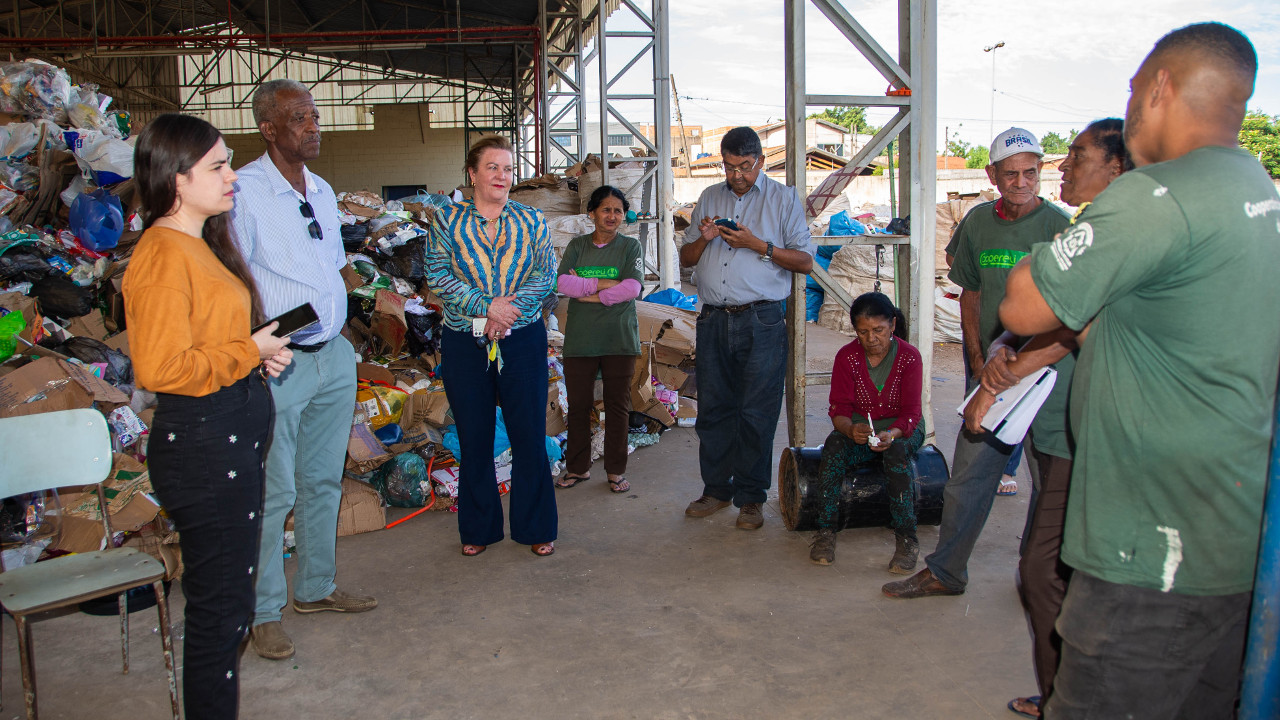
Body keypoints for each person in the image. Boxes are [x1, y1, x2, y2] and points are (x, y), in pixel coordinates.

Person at [1000, 23, 1279, 718]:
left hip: (1148, 550)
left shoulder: (1158, 197)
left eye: (1132, 92)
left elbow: (1025, 304)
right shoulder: (1256, 189)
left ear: (1159, 89)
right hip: (1228, 540)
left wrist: (1062, 251)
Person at [123, 113, 293, 719]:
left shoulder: (199, 244)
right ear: (175, 177)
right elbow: (162, 368)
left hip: (227, 430)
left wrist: (254, 360)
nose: (232, 178)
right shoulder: (164, 254)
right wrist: (249, 351)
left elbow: (208, 344)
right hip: (203, 443)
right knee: (221, 613)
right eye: (218, 167)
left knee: (227, 607)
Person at [963, 118, 1130, 719]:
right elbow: (1050, 319)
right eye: (1016, 172)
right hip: (1070, 416)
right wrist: (997, 362)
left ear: (1115, 165)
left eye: (1074, 156)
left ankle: (1073, 698)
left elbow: (1044, 311)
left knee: (1047, 568)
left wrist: (1005, 371)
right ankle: (1066, 694)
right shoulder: (1092, 226)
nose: (1059, 169)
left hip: (1102, 428)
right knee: (1052, 565)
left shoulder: (1095, 230)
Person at [883, 127, 1071, 599]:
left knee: (1051, 486)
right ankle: (945, 571)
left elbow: (1072, 313)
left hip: (1048, 378)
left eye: (1031, 172)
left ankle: (1040, 579)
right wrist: (974, 356)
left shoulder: (1062, 228)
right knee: (968, 478)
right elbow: (971, 292)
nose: (1022, 182)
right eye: (1011, 174)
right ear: (992, 175)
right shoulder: (978, 223)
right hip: (988, 374)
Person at [231, 79, 376, 662]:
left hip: (333, 355)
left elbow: (333, 267)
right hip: (280, 361)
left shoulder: (320, 189)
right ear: (268, 128)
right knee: (273, 490)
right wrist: (255, 347)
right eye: (299, 118)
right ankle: (262, 611)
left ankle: (315, 589)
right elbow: (234, 277)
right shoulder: (243, 190)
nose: (313, 126)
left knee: (322, 481)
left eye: (315, 116)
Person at [425, 134, 558, 557]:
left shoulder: (531, 220)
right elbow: (437, 274)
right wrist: (486, 307)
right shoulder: (447, 221)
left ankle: (535, 526)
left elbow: (545, 275)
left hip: (522, 338)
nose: (502, 175)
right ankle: (478, 529)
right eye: (492, 167)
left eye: (507, 168)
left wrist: (508, 310)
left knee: (529, 435)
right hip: (466, 340)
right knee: (475, 436)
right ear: (472, 173)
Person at [679, 126, 813, 530]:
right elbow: (685, 257)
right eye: (728, 166)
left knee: (757, 410)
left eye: (744, 166)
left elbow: (805, 261)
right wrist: (703, 239)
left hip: (763, 318)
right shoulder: (709, 197)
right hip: (714, 318)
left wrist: (759, 245)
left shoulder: (784, 199)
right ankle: (717, 490)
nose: (736, 175)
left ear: (760, 161)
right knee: (714, 409)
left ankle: (751, 498)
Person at [808, 292, 924, 571]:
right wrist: (850, 430)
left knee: (896, 454)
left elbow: (911, 415)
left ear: (893, 325)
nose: (871, 338)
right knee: (833, 447)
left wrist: (893, 433)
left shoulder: (909, 358)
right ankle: (825, 531)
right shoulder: (847, 357)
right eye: (863, 332)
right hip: (860, 429)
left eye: (878, 330)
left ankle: (906, 538)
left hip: (902, 430)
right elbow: (838, 410)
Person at [554, 185, 643, 493]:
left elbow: (632, 288)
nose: (612, 216)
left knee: (618, 406)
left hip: (619, 338)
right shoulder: (577, 246)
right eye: (605, 209)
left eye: (617, 211)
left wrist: (589, 292)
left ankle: (616, 470)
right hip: (581, 341)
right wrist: (607, 285)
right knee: (579, 406)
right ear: (591, 213)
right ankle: (578, 469)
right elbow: (563, 283)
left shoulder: (630, 247)